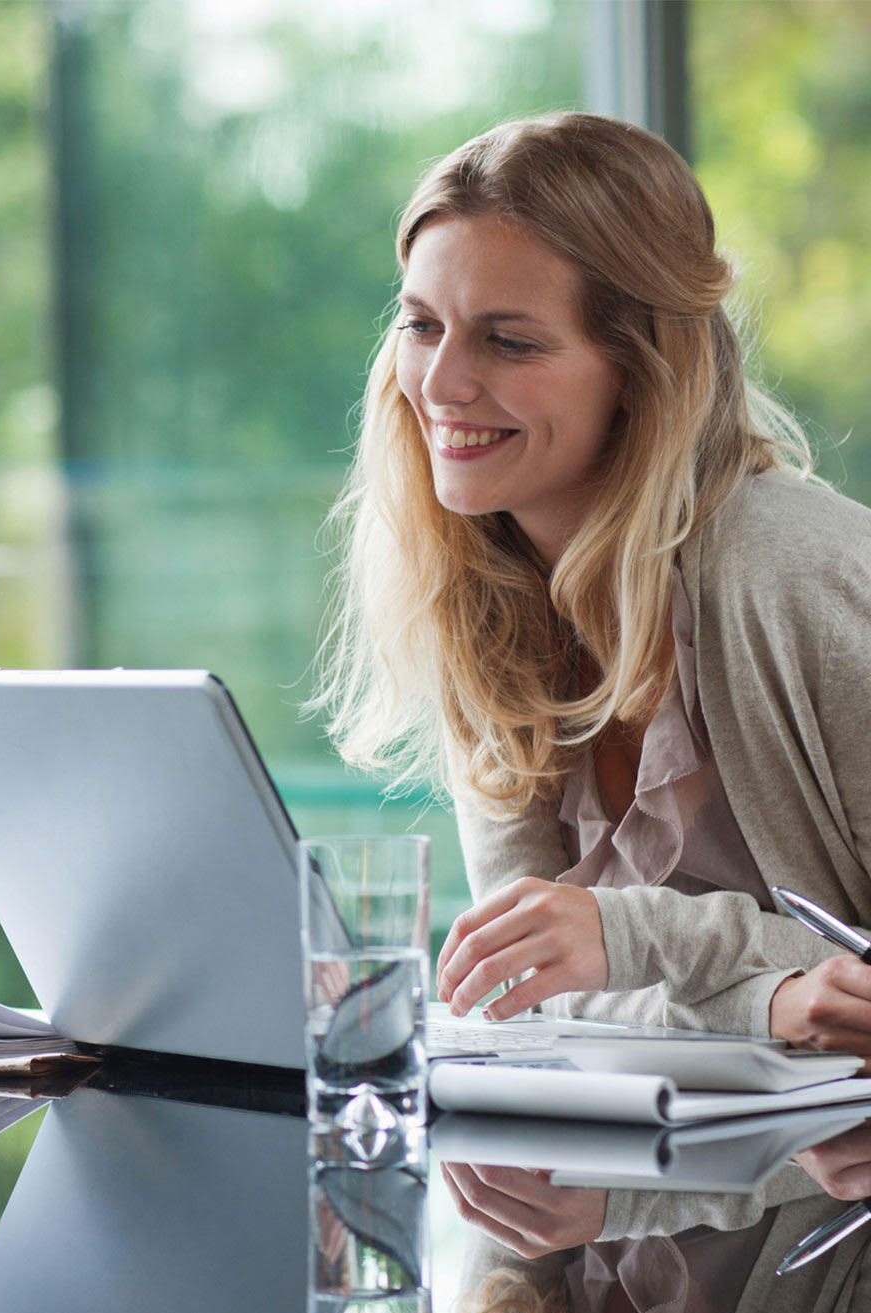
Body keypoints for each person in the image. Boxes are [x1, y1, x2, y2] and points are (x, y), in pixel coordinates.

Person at [316, 112, 871, 1051]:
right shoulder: (477, 595)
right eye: (420, 326)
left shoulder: (795, 568)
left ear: (640, 370)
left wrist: (631, 934)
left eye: (509, 342)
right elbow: (533, 989)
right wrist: (761, 1003)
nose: (441, 383)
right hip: (671, 1173)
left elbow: (596, 958)